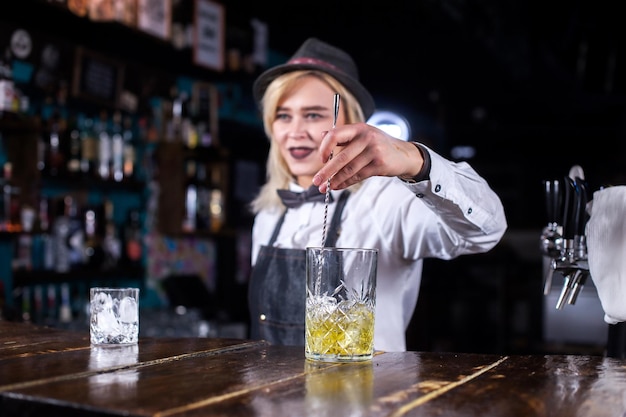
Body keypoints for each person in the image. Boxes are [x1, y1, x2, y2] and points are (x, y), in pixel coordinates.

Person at [248, 37, 507, 352]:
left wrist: (416, 161)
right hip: (272, 396)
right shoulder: (269, 213)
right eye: (283, 115)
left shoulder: (387, 201)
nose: (295, 130)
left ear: (349, 124)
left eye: (314, 115)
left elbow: (487, 230)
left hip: (365, 395)